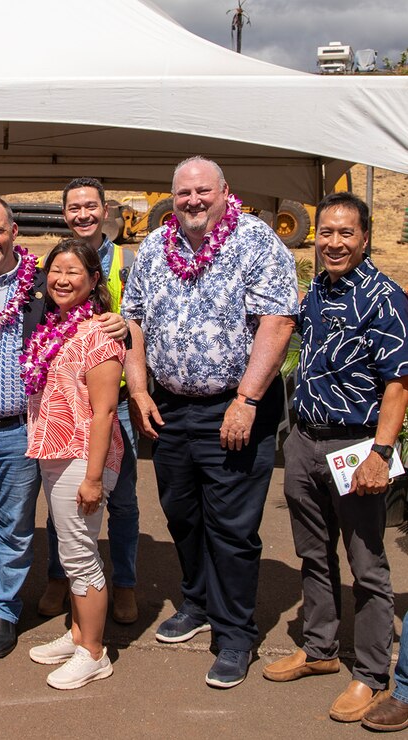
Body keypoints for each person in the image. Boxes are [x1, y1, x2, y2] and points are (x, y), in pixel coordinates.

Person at [122, 156, 297, 689]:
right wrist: (137, 388)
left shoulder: (257, 240)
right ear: (171, 198)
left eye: (202, 191)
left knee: (232, 527)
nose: (192, 201)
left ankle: (236, 634)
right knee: (181, 513)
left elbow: (278, 319)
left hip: (236, 406)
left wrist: (246, 398)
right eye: (182, 194)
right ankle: (197, 601)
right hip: (171, 408)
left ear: (225, 191)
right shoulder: (155, 246)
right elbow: (132, 316)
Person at [0, 197, 125, 661]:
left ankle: (4, 613)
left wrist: (124, 325)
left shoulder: (42, 285)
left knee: (15, 529)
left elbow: (89, 317)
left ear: (14, 230)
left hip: (20, 431)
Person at [263, 192, 408, 723]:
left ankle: (370, 675)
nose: (334, 242)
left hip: (357, 447)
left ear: (365, 238)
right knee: (313, 552)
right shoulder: (317, 291)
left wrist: (381, 453)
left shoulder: (385, 297)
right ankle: (321, 650)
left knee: (367, 565)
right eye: (326, 232)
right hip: (305, 441)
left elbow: (399, 383)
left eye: (346, 233)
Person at [25, 238, 125, 689]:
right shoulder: (58, 326)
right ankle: (78, 633)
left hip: (83, 457)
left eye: (74, 273)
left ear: (93, 280)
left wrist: (91, 478)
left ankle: (94, 652)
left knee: (81, 555)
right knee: (69, 549)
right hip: (56, 453)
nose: (63, 280)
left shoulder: (100, 335)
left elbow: (104, 411)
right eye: (56, 271)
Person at [40, 177, 140, 624]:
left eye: (90, 206)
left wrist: (136, 386)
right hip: (67, 397)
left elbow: (141, 319)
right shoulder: (56, 264)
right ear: (65, 215)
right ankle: (62, 578)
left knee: (118, 501)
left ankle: (123, 585)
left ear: (105, 210)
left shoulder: (126, 260)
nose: (82, 214)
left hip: (107, 396)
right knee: (62, 502)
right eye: (74, 207)